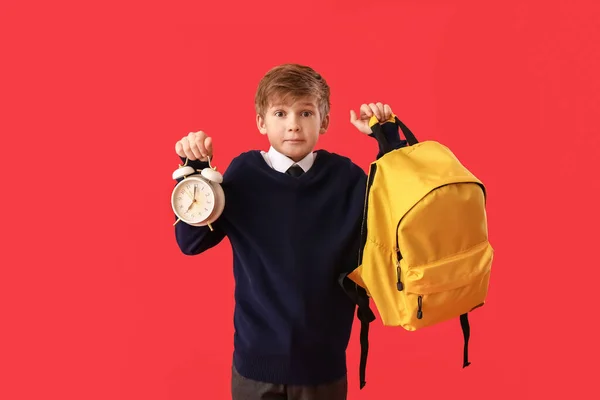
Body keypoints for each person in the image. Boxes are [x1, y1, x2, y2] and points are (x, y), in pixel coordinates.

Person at [173, 63, 405, 400]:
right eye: (280, 113)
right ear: (261, 122)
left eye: (306, 113)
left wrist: (388, 140)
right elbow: (190, 242)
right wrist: (194, 169)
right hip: (256, 368)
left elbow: (401, 223)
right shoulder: (242, 175)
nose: (293, 125)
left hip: (322, 367)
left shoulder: (347, 179)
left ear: (324, 121)